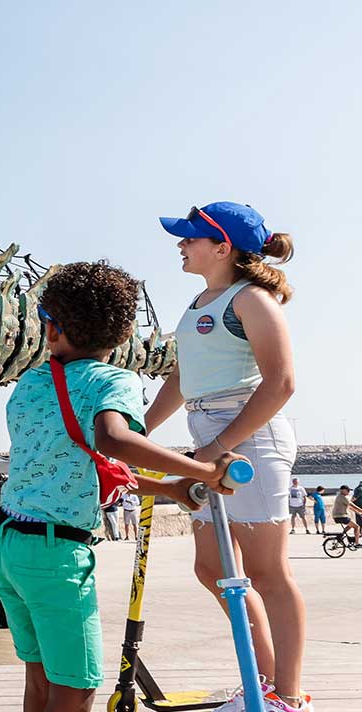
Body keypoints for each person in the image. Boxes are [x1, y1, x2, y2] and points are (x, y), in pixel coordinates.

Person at [0, 260, 241, 712]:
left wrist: (173, 489)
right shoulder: (112, 380)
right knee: (78, 685)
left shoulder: (31, 382)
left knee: (42, 676)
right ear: (123, 335)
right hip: (54, 554)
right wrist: (205, 471)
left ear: (51, 329)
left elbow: (75, 468)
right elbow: (114, 440)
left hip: (4, 544)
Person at [142, 202, 308, 711]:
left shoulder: (253, 300)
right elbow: (182, 377)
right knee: (212, 567)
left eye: (190, 238)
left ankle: (289, 694)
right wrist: (141, 430)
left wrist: (215, 449)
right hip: (207, 433)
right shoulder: (199, 302)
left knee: (267, 572)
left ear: (223, 247)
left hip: (250, 439)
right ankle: (263, 680)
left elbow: (280, 384)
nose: (181, 245)